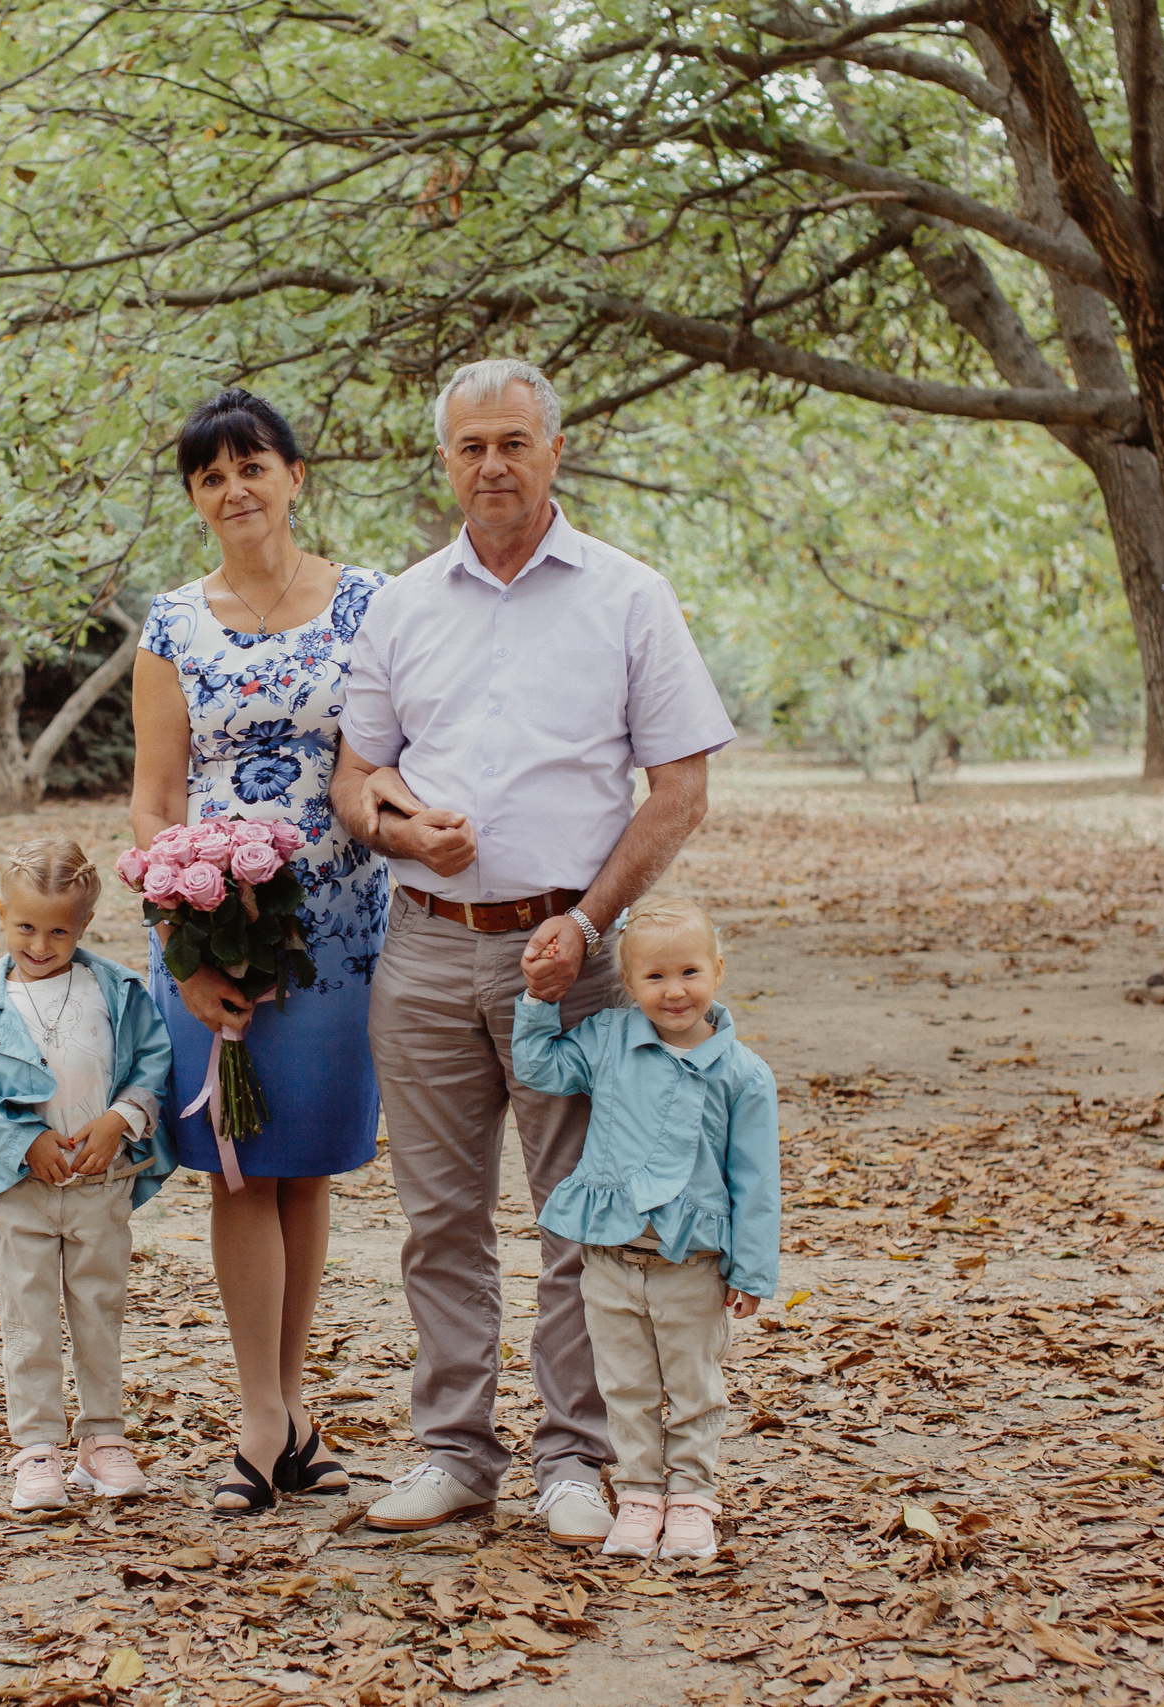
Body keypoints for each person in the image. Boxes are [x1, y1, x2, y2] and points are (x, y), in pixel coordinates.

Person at [331, 356, 736, 1545]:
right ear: (445, 461)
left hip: (573, 958)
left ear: (554, 449)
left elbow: (680, 789)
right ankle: (454, 1453)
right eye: (471, 447)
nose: (492, 466)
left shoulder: (626, 595)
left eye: (514, 442)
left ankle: (572, 1457)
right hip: (422, 955)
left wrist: (589, 922)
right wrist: (402, 828)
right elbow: (356, 778)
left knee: (579, 1214)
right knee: (439, 1219)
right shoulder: (402, 604)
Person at [130, 388, 387, 1514]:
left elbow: (383, 762)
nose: (234, 489)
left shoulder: (371, 605)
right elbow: (151, 797)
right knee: (239, 1166)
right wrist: (184, 940)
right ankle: (258, 1418)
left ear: (295, 476)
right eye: (209, 476)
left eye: (252, 466)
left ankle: (291, 1413)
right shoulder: (173, 625)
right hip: (210, 928)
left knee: (304, 1166)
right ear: (196, 500)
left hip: (338, 931)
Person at [512, 896, 779, 1559]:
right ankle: (637, 1492)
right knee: (625, 1385)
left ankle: (691, 1496)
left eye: (689, 971)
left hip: (692, 1261)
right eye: (655, 976)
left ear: (717, 969)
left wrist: (750, 1269)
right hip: (611, 1256)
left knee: (693, 1386)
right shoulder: (608, 1039)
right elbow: (541, 1066)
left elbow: (756, 1179)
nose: (674, 990)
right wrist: (538, 999)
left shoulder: (743, 1074)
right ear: (629, 984)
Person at [0, 837, 176, 1512]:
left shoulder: (116, 992)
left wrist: (120, 1120)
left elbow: (152, 1061)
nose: (41, 944)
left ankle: (103, 1436)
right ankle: (37, 1447)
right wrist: (26, 1141)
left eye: (58, 930)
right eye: (25, 926)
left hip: (99, 1184)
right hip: (21, 1188)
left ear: (84, 926)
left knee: (99, 1308)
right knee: (29, 1316)